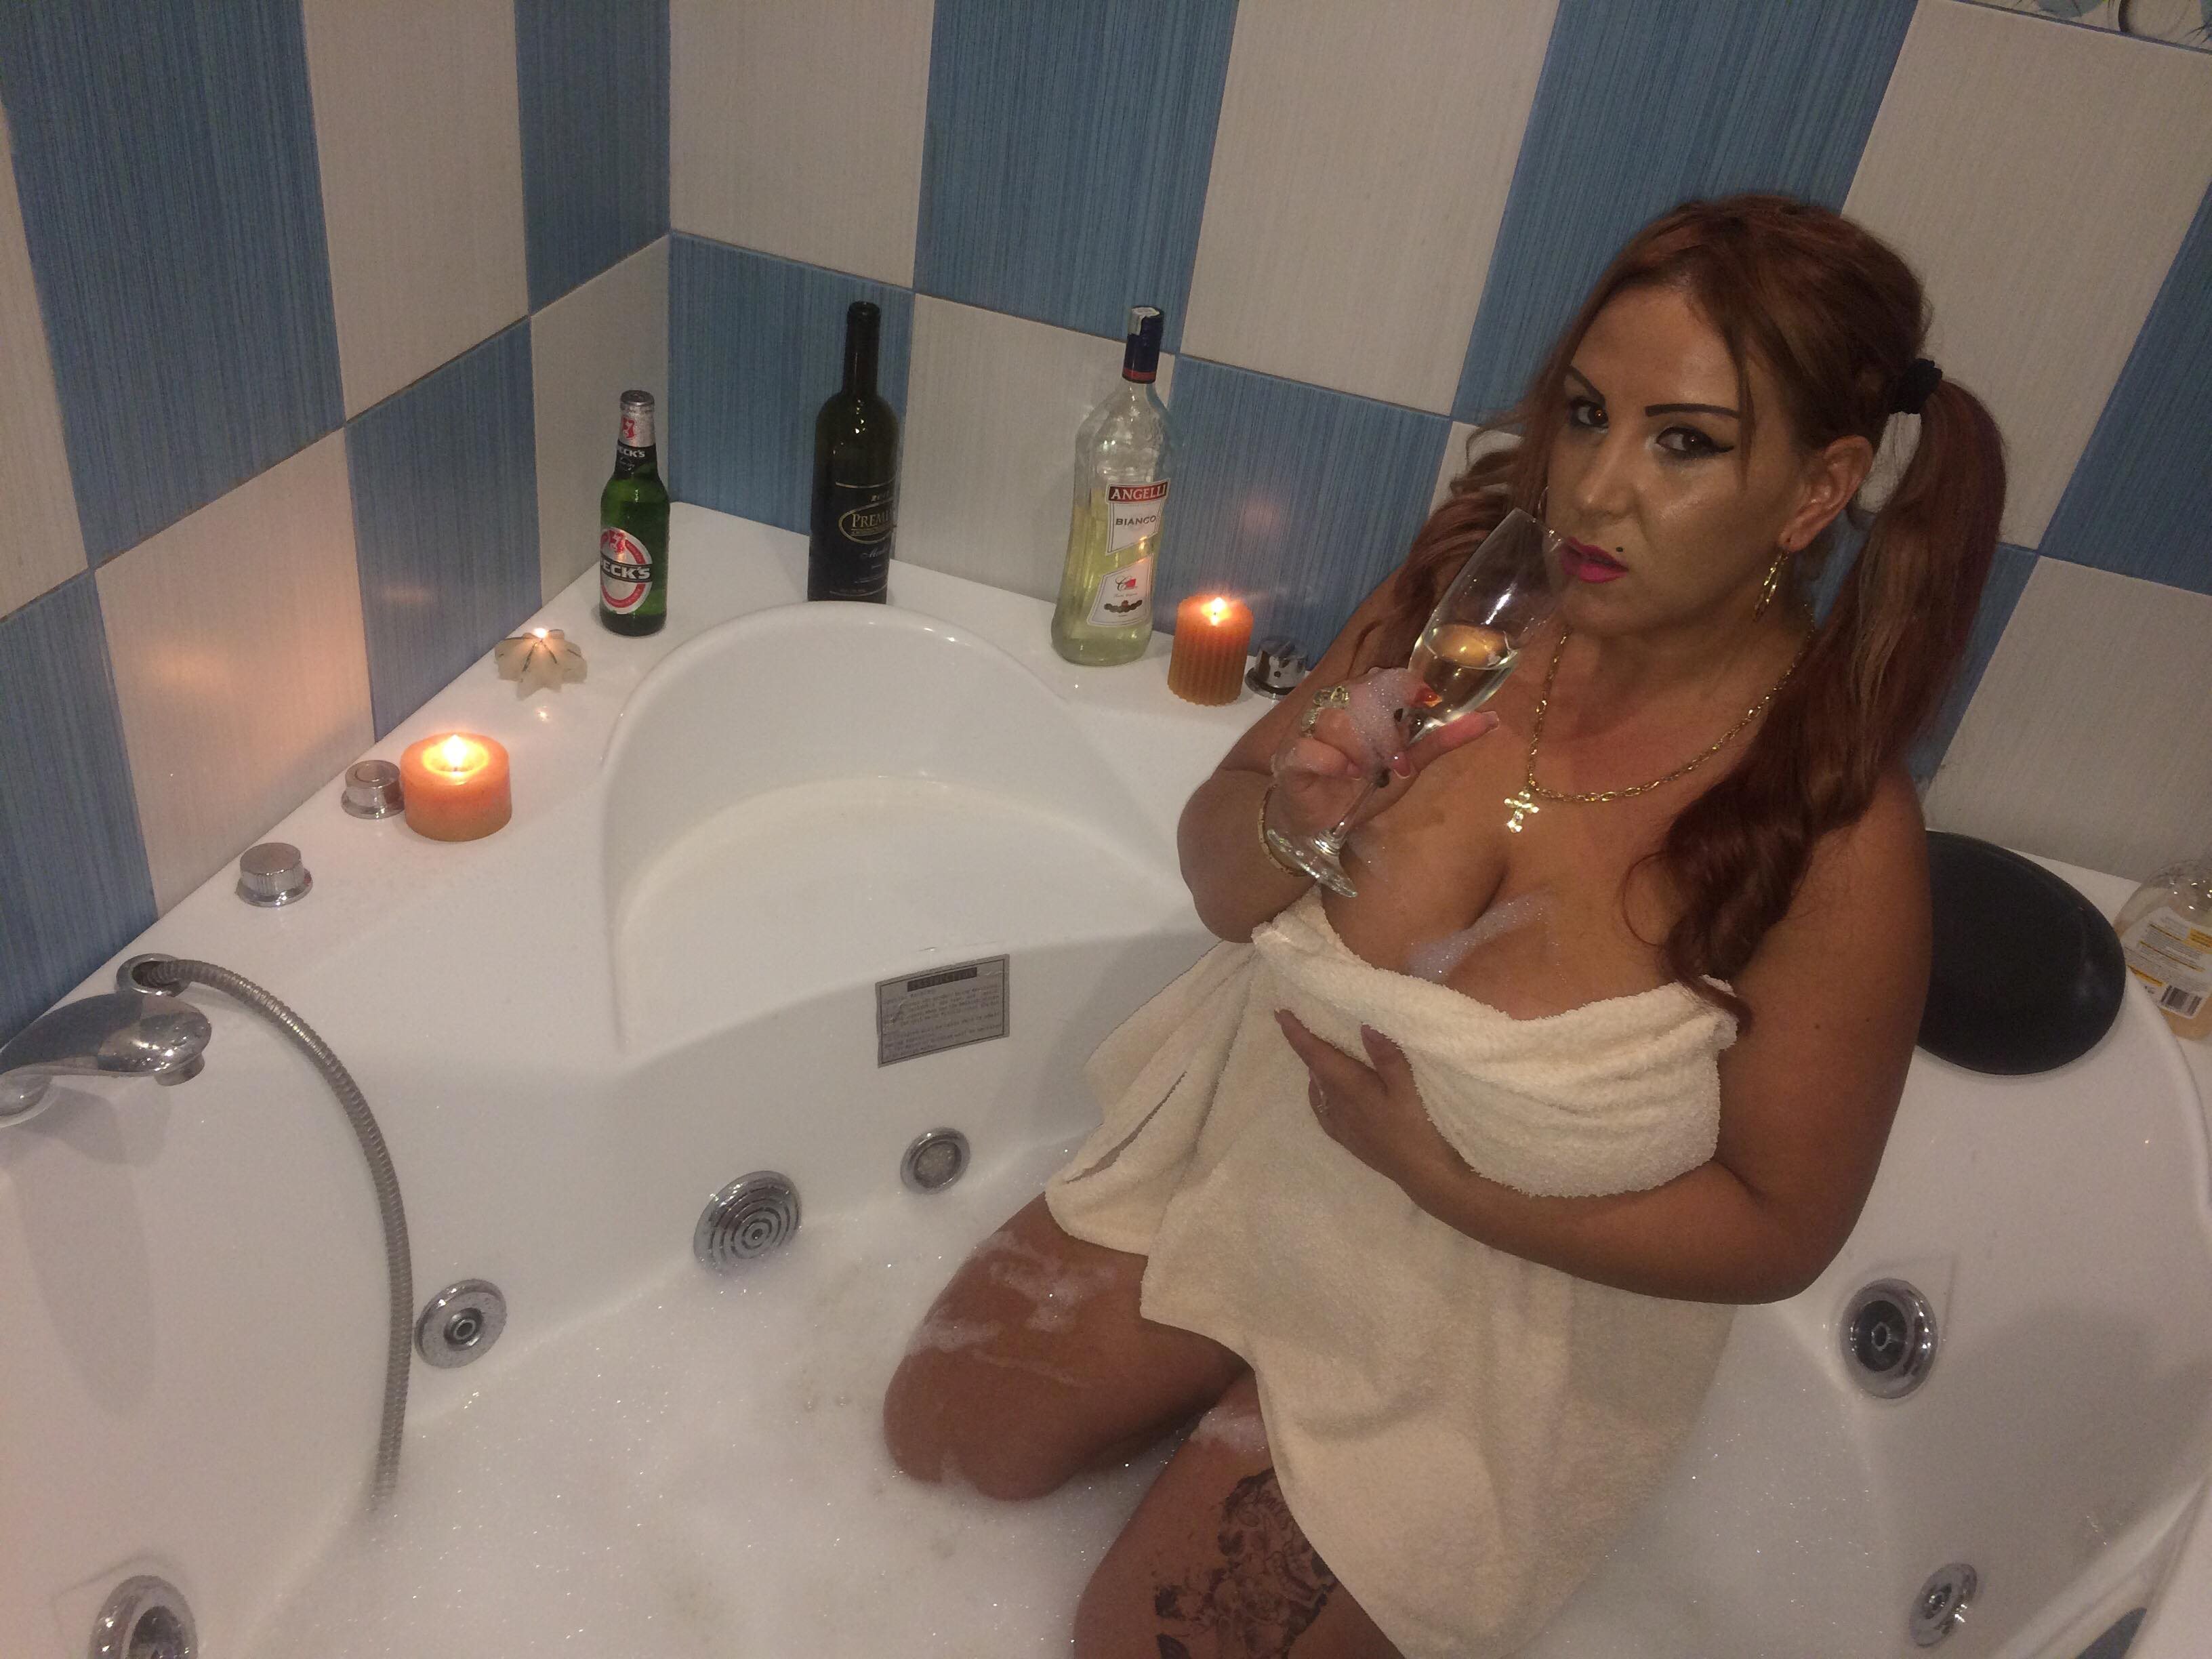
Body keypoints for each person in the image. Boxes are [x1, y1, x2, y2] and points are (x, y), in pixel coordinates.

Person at [882, 193, 2005, 1658]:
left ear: (1817, 490)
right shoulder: (1467, 606)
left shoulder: (1832, 827)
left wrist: (1453, 1186)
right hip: (1257, 1161)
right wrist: (1297, 817)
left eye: (1683, 442)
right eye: (1588, 414)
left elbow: (1780, 1229)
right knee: (939, 1445)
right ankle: (1211, 1403)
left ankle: (1267, 1452)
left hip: (1502, 1314)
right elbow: (1223, 885)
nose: (1595, 488)